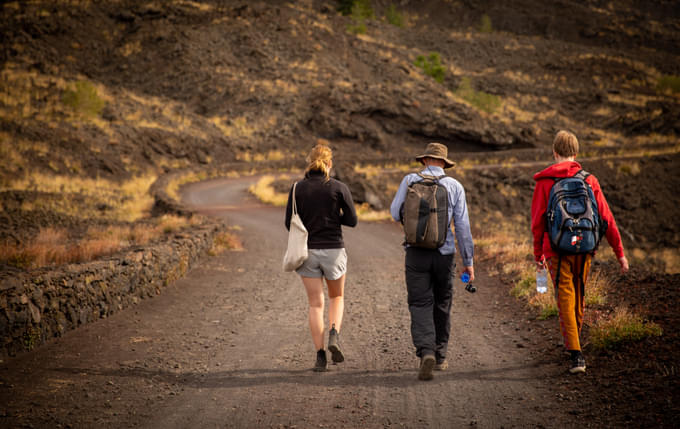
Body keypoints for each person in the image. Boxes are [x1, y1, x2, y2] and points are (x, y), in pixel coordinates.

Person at [531, 130, 629, 374]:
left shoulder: (545, 182)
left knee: (564, 293)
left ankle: (575, 352)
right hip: (585, 246)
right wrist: (620, 253)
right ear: (576, 153)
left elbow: (537, 223)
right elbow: (606, 217)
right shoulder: (589, 180)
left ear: (554, 152)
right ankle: (575, 343)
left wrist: (538, 255)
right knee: (579, 291)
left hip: (555, 249)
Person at [390, 142, 475, 381]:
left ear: (425, 160)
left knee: (419, 303)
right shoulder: (454, 186)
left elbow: (395, 213)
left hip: (416, 252)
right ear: (444, 163)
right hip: (444, 255)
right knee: (442, 302)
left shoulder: (409, 181)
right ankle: (440, 355)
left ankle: (425, 351)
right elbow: (462, 227)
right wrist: (468, 262)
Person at [285, 143, 358, 372]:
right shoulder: (338, 187)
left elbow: (289, 223)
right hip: (334, 250)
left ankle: (320, 356)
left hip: (307, 252)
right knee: (336, 297)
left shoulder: (297, 188)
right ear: (329, 163)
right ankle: (334, 335)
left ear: (310, 162)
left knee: (315, 304)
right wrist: (334, 219)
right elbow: (353, 220)